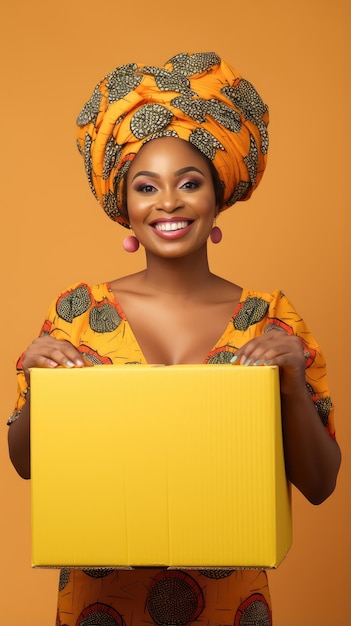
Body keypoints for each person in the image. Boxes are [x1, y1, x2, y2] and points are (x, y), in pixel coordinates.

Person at [7, 51, 341, 626]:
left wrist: (288, 383)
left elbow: (321, 485)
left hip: (229, 606)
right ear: (125, 207)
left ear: (217, 197)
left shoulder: (270, 317)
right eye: (146, 187)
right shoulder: (78, 312)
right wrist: (39, 391)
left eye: (189, 183)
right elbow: (26, 464)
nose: (168, 202)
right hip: (100, 604)